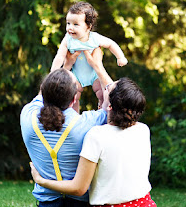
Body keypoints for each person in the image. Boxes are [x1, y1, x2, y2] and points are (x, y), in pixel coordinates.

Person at [30, 77, 157, 207]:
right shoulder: (142, 130)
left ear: (109, 105)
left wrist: (41, 181)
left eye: (108, 89)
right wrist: (97, 65)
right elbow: (123, 96)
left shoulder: (97, 135)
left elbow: (78, 188)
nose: (106, 87)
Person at [20, 48, 114, 207]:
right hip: (81, 201)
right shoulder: (86, 123)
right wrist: (97, 66)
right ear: (73, 101)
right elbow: (113, 98)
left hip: (46, 201)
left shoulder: (27, 116)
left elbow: (45, 89)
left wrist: (67, 64)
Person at [51, 1, 128, 112]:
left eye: (75, 24)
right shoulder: (68, 39)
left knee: (102, 93)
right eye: (68, 23)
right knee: (74, 96)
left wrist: (120, 57)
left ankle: (102, 110)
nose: (70, 28)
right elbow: (60, 56)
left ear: (88, 27)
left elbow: (111, 44)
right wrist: (54, 72)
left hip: (94, 74)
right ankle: (75, 116)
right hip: (76, 75)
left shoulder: (94, 38)